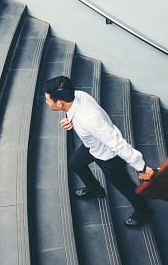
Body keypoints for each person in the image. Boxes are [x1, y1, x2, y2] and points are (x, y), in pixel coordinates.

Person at [43, 75, 154, 227]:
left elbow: (118, 144)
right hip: (93, 146)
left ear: (60, 103)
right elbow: (77, 113)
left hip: (109, 156)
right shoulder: (79, 96)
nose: (47, 102)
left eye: (48, 100)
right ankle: (95, 189)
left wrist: (142, 168)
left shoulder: (90, 121)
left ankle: (143, 212)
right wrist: (70, 120)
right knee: (74, 164)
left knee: (125, 187)